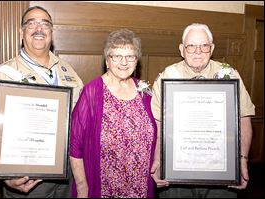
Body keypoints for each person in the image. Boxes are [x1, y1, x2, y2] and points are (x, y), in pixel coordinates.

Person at [0, 6, 83, 198]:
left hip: (68, 172)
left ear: (52, 32)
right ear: (21, 31)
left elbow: (82, 119)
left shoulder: (68, 71)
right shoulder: (5, 73)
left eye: (45, 24)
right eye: (31, 23)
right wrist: (5, 177)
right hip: (27, 176)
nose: (39, 28)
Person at [150, 23, 255, 198]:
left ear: (212, 48)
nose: (198, 51)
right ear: (182, 49)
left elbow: (244, 120)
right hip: (177, 172)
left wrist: (242, 160)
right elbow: (159, 125)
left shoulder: (229, 75)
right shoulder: (167, 77)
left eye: (204, 45)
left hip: (221, 172)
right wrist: (159, 160)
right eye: (191, 46)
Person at [69, 29, 157, 198]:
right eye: (116, 56)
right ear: (107, 61)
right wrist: (81, 187)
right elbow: (75, 144)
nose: (124, 62)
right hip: (104, 187)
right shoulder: (92, 92)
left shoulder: (144, 91)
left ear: (136, 61)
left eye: (130, 56)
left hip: (139, 188)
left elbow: (158, 130)